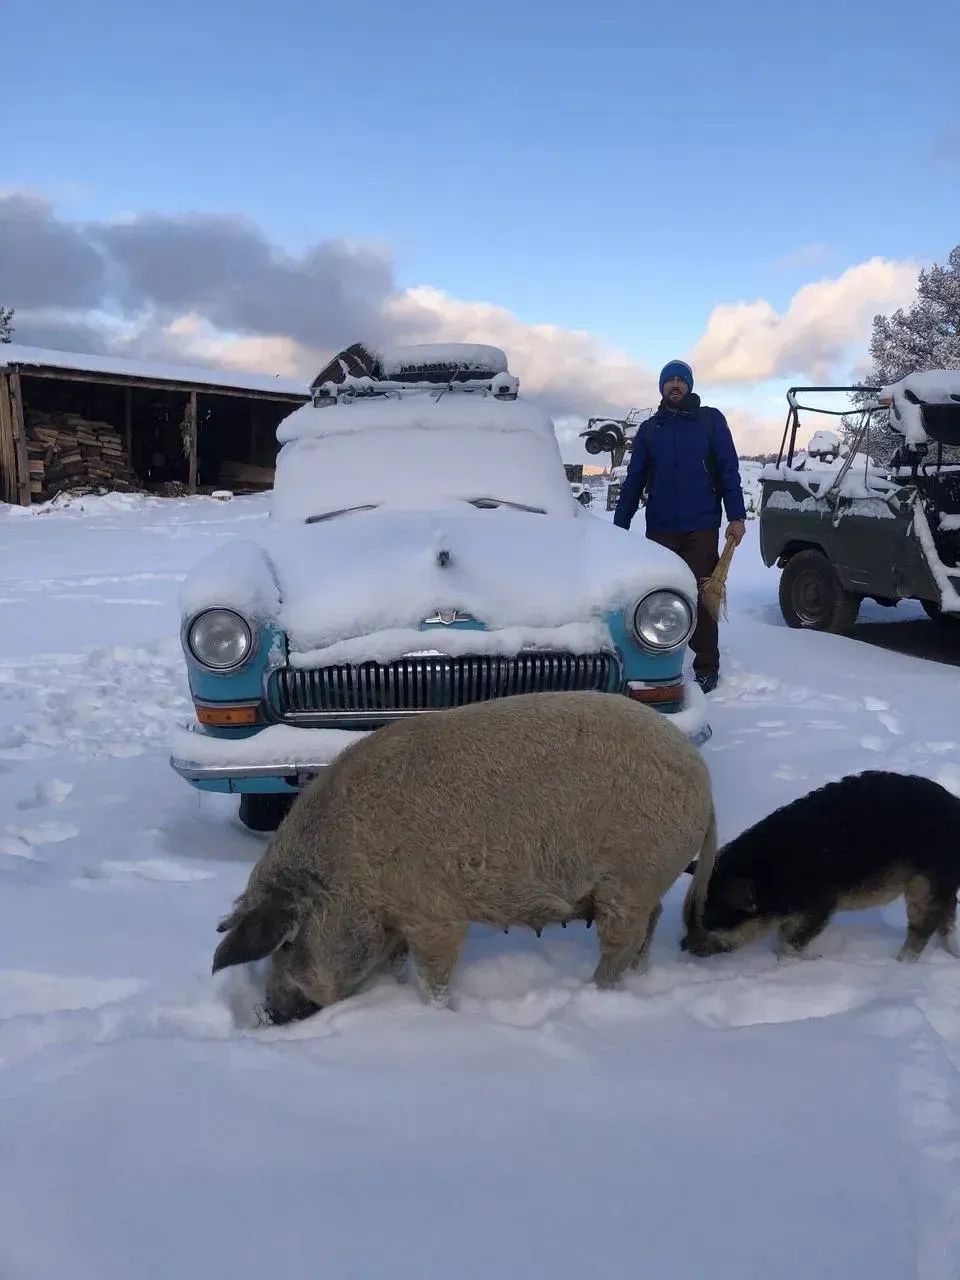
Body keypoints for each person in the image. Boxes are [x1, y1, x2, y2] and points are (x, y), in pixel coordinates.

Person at [613, 359, 746, 694]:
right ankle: (658, 658)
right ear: (662, 387)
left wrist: (737, 516)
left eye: (681, 380)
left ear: (689, 385)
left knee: (703, 596)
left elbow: (728, 469)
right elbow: (635, 479)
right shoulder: (650, 429)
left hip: (700, 526)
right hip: (660, 529)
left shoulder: (710, 421)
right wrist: (619, 525)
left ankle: (707, 665)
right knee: (659, 595)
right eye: (669, 380)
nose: (675, 385)